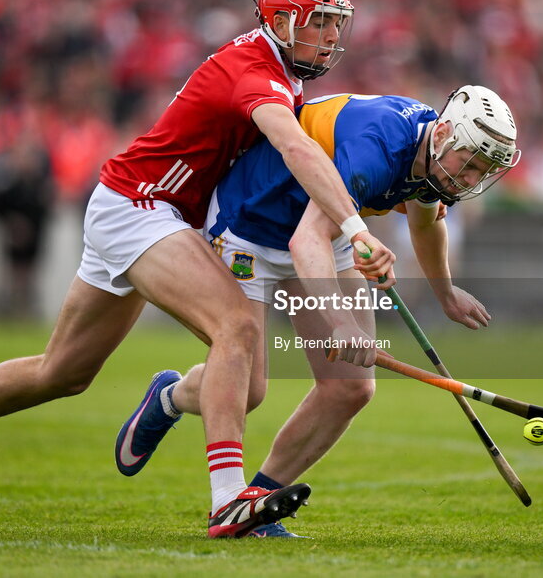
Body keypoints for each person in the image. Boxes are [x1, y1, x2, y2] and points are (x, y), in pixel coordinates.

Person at [0, 0, 397, 539]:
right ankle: (228, 499)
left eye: (335, 24)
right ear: (278, 22)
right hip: (140, 207)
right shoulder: (256, 73)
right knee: (235, 329)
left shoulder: (282, 74)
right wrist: (354, 225)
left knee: (65, 373)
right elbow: (295, 148)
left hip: (141, 211)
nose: (328, 36)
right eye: (317, 21)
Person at [115, 86, 520, 537]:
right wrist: (342, 324)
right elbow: (303, 241)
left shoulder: (433, 155)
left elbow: (425, 223)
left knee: (349, 389)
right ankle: (170, 396)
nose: (468, 179)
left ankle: (257, 507)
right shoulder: (380, 147)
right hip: (252, 223)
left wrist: (444, 294)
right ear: (444, 133)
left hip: (326, 228)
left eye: (481, 172)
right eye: (468, 164)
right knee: (248, 390)